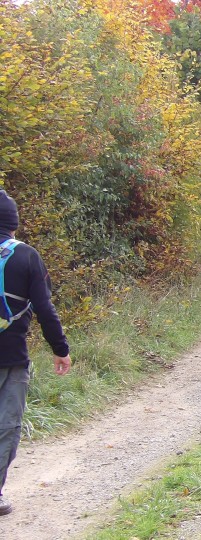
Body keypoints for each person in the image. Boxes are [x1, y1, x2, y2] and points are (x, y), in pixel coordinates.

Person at [0, 190, 72, 516]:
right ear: (13, 223)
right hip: (11, 358)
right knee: (6, 427)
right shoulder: (26, 256)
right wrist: (60, 349)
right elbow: (44, 307)